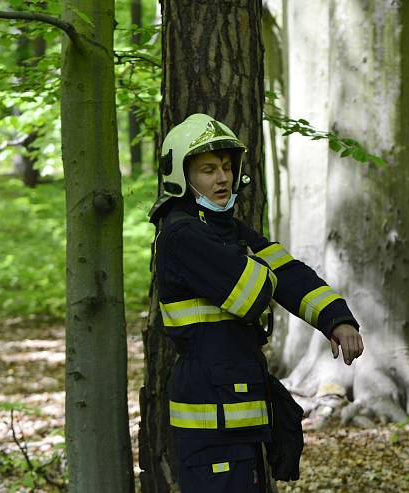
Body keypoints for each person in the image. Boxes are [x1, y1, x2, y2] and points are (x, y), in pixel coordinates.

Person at [148, 113, 365, 492]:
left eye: (227, 167)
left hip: (239, 414)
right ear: (182, 177)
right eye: (208, 169)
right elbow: (256, 293)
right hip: (211, 422)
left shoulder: (225, 229)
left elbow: (291, 274)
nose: (223, 178)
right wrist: (256, 263)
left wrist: (337, 319)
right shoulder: (181, 234)